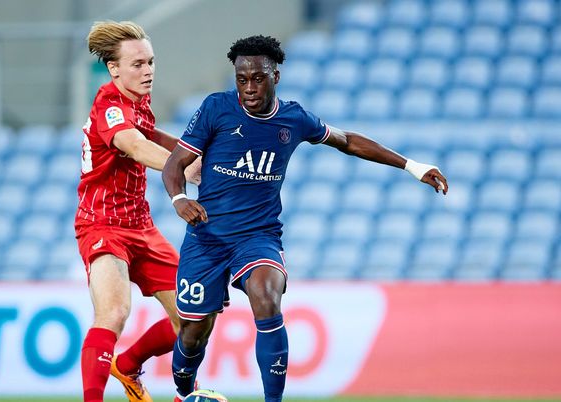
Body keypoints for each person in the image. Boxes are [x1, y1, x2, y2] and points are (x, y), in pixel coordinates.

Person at [162, 35, 448, 402]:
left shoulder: (293, 118)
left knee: (267, 296)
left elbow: (346, 141)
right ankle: (184, 391)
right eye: (242, 78)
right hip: (207, 238)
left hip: (258, 236)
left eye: (258, 78)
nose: (249, 87)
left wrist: (411, 165)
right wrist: (180, 199)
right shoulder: (216, 108)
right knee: (193, 331)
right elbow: (174, 165)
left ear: (275, 76)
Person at [76, 20, 199, 402]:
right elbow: (134, 144)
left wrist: (193, 156)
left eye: (150, 62)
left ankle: (128, 364)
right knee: (114, 312)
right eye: (137, 64)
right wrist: (181, 167)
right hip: (103, 225)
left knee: (196, 317)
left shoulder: (138, 102)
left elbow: (150, 134)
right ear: (114, 69)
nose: (147, 71)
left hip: (141, 226)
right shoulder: (109, 105)